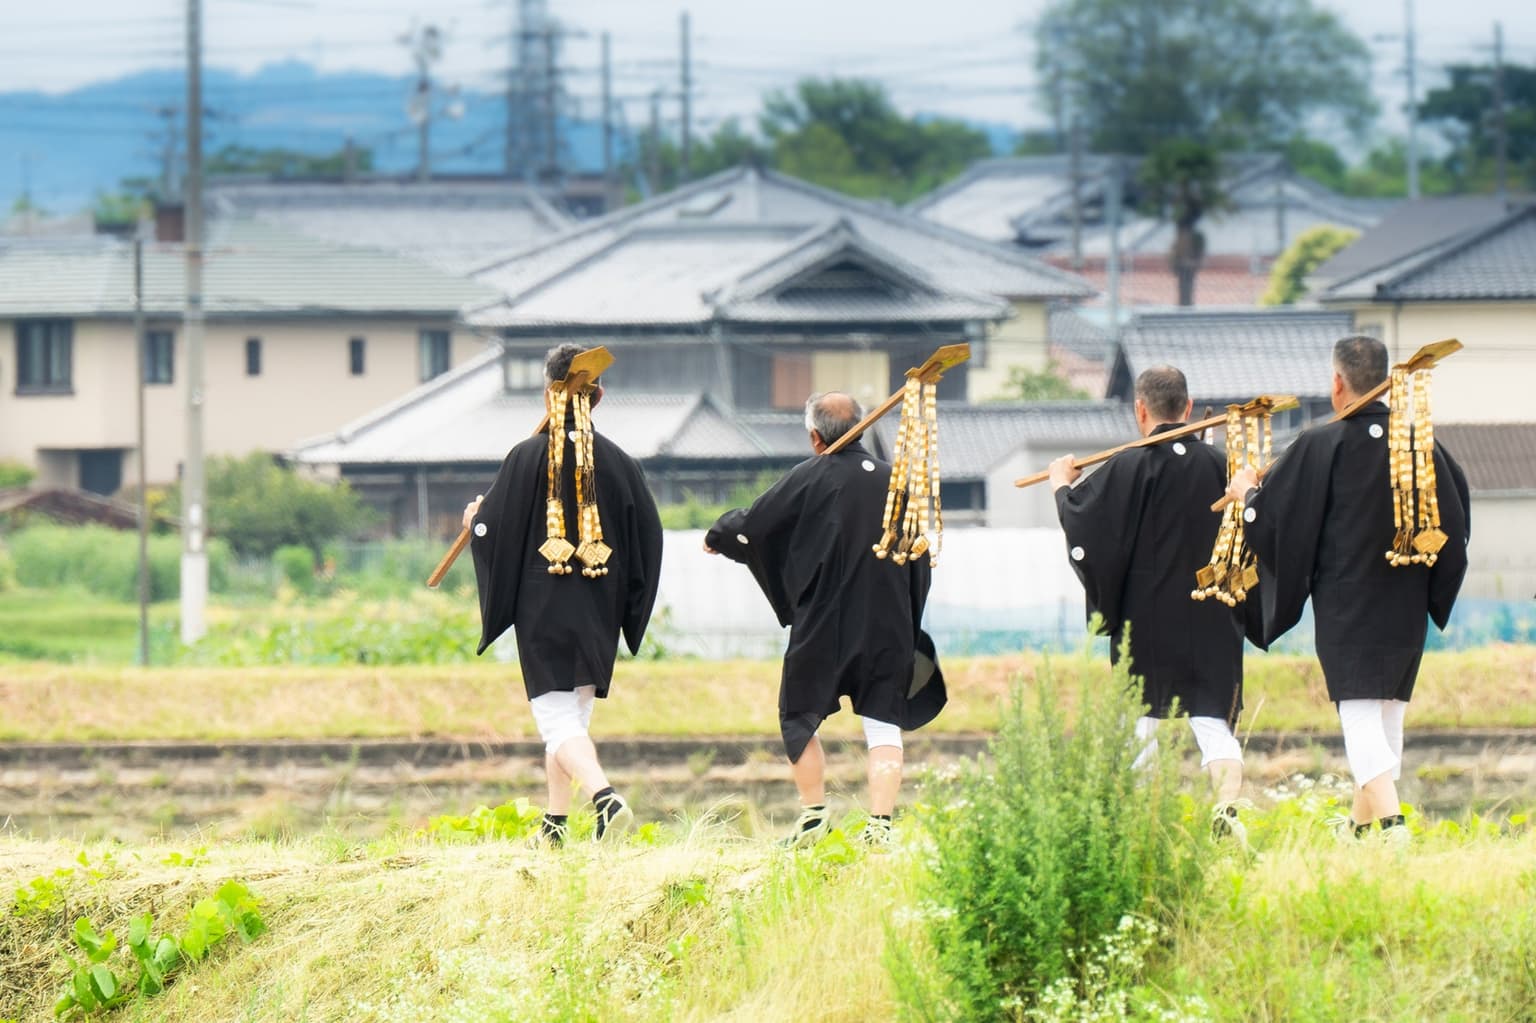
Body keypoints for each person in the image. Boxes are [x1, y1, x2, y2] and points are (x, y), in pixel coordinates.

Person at [1226, 335, 1470, 842]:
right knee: (1386, 719)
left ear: (1337, 382)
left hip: (1347, 606)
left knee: (1360, 718)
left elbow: (1277, 522)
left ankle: (1393, 828)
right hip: (1405, 605)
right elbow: (1456, 518)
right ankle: (1358, 832)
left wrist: (1247, 492)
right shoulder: (1419, 442)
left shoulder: (1321, 444)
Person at [704, 391, 946, 849]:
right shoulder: (898, 483)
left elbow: (755, 525)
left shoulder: (810, 476)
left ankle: (814, 817)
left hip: (824, 623)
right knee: (882, 723)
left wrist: (719, 534)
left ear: (816, 437)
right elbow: (920, 559)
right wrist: (907, 621)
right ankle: (880, 827)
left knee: (798, 714)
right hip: (887, 624)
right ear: (862, 427)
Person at [463, 343, 664, 845]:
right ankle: (555, 824)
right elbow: (650, 538)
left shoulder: (525, 457)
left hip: (544, 606)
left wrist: (475, 524)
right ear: (599, 396)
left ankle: (605, 797)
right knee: (569, 721)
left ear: (549, 392)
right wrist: (627, 602)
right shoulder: (620, 462)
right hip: (600, 605)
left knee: (556, 721)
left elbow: (494, 530)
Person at [1048, 365, 1250, 839]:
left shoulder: (1127, 466)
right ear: (1187, 404)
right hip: (1213, 613)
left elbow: (1085, 528)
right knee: (1213, 722)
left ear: (1140, 410)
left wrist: (1061, 483)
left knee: (1144, 724)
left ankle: (1144, 831)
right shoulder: (1223, 467)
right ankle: (1226, 813)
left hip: (1147, 622)